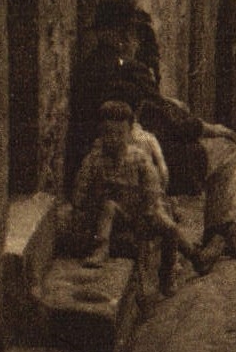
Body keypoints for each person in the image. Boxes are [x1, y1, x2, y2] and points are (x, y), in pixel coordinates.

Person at [83, 0, 236, 269]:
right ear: (122, 36)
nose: (135, 43)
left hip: (104, 159)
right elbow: (169, 120)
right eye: (133, 36)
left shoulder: (89, 67)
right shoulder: (131, 70)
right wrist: (209, 129)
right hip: (147, 161)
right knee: (229, 148)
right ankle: (220, 229)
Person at [68, 100, 201, 297]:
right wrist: (83, 206)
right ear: (100, 133)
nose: (113, 139)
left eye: (119, 133)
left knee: (170, 229)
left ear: (129, 132)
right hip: (110, 214)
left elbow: (152, 186)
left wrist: (149, 208)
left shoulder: (138, 158)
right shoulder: (94, 160)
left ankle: (167, 274)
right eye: (107, 133)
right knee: (109, 206)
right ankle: (101, 248)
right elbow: (80, 191)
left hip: (138, 210)